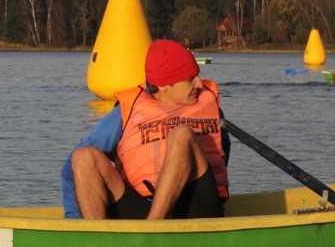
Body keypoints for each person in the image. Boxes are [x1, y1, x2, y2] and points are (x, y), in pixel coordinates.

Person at [61, 39, 230, 220]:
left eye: (197, 76)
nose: (199, 84)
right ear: (164, 86)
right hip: (142, 206)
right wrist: (74, 218)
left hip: (197, 208)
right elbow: (72, 167)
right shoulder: (126, 112)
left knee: (181, 134)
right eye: (190, 80)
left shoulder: (208, 107)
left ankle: (152, 227)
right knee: (83, 157)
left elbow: (221, 156)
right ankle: (95, 233)